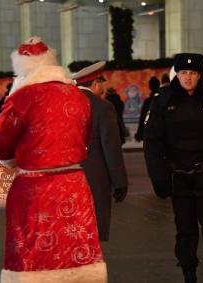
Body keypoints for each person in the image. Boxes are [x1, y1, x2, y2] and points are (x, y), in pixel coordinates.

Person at [0, 37, 106, 282]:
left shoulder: (22, 97)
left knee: (33, 254)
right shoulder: (78, 96)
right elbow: (85, 138)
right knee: (74, 249)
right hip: (74, 185)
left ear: (22, 69)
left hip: (34, 189)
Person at [144, 53, 203, 283]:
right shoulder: (163, 101)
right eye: (184, 73)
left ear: (199, 75)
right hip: (180, 177)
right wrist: (160, 178)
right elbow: (152, 144)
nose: (188, 77)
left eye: (193, 73)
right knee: (185, 230)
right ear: (178, 73)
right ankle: (189, 272)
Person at [72, 61, 128, 241]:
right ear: (95, 83)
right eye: (102, 82)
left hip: (67, 176)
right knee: (93, 231)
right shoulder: (103, 107)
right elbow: (111, 147)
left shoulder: (65, 105)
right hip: (95, 177)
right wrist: (120, 182)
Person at [134, 76, 160, 142]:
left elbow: (143, 118)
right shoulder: (163, 99)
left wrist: (139, 133)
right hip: (162, 133)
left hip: (150, 133)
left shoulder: (148, 101)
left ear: (150, 87)